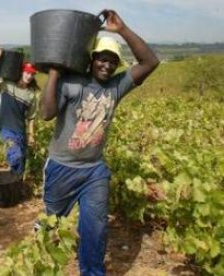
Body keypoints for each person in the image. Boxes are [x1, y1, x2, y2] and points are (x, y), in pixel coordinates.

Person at [40, 10, 159, 276]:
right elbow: (46, 114)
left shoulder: (116, 87)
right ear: (91, 60)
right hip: (61, 168)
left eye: (112, 62)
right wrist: (54, 75)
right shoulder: (73, 83)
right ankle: (41, 258)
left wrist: (123, 30)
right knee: (51, 223)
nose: (106, 65)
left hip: (94, 170)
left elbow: (150, 62)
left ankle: (92, 272)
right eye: (102, 59)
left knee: (95, 227)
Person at [0, 48, 39, 176]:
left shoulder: (31, 95)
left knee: (21, 166)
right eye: (27, 73)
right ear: (21, 72)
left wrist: (31, 135)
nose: (30, 76)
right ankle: (9, 182)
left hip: (20, 132)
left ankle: (14, 189)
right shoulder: (7, 85)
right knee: (16, 156)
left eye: (32, 74)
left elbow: (31, 118)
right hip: (6, 129)